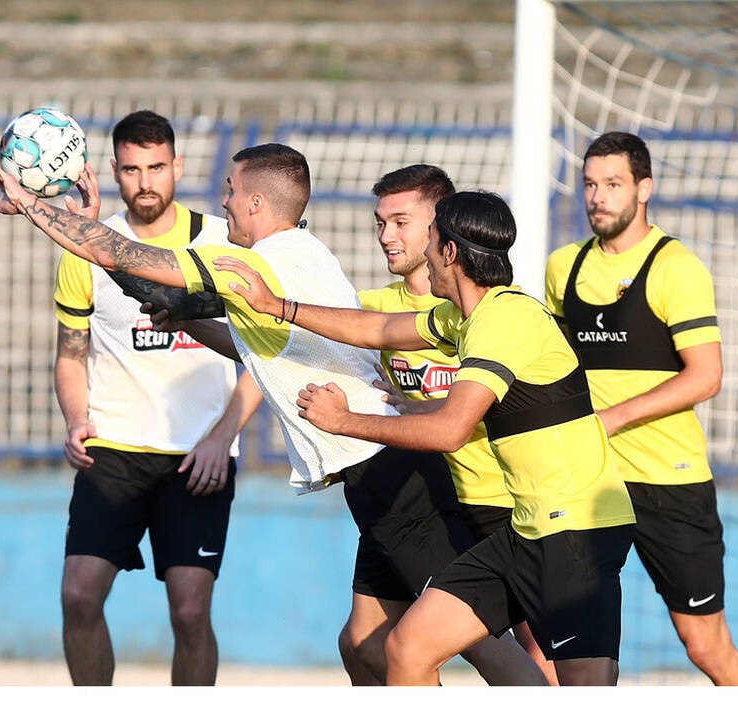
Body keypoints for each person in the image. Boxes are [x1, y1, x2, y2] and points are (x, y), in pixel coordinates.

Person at [0, 143, 546, 686]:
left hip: (395, 479)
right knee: (363, 645)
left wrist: (33, 205)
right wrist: (189, 319)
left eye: (229, 190)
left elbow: (119, 254)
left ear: (255, 203)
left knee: (474, 643)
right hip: (374, 478)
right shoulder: (294, 257)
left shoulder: (260, 261)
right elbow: (257, 346)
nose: (221, 202)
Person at [210, 189, 638, 685]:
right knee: (408, 648)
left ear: (450, 252)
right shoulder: (466, 316)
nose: (423, 255)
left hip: (577, 532)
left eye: (430, 240)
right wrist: (277, 306)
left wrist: (345, 420)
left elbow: (450, 431)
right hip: (527, 531)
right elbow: (378, 329)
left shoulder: (506, 319)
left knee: (583, 691)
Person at [543, 130, 738, 686]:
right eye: (590, 184)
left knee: (705, 646)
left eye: (613, 184)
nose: (598, 196)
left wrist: (612, 418)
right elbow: (553, 366)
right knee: (562, 646)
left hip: (670, 481)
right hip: (589, 486)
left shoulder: (675, 267)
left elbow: (706, 376)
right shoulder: (562, 267)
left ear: (644, 188)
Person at [51, 110, 264, 686]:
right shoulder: (91, 247)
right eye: (132, 169)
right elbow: (71, 353)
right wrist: (76, 419)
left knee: (191, 611)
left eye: (157, 167)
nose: (146, 181)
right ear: (114, 172)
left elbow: (262, 359)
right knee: (78, 595)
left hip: (198, 457)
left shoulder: (222, 243)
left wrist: (223, 438)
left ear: (178, 167)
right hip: (112, 451)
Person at [343, 164, 557, 686]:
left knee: (527, 657)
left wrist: (403, 414)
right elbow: (287, 336)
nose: (385, 236)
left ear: (441, 231)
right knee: (363, 644)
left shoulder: (496, 311)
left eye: (400, 222)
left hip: (498, 500)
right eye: (380, 223)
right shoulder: (374, 310)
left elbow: (504, 414)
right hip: (426, 502)